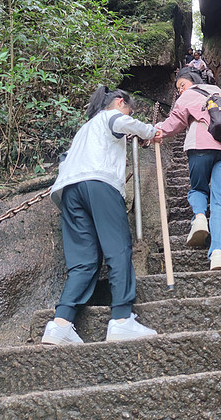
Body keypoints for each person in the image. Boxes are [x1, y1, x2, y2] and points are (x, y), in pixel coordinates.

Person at [41, 86, 159, 346]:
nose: (128, 112)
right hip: (99, 184)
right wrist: (153, 132)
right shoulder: (110, 117)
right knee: (117, 249)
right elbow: (124, 122)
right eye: (129, 107)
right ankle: (121, 319)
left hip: (69, 191)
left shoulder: (85, 129)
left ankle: (60, 324)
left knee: (84, 261)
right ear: (119, 102)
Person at [154, 68, 221, 271]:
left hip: (201, 145)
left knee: (199, 189)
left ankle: (200, 218)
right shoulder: (218, 91)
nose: (180, 91)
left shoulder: (189, 95)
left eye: (181, 86)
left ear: (190, 82)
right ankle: (219, 254)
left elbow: (174, 122)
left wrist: (155, 131)